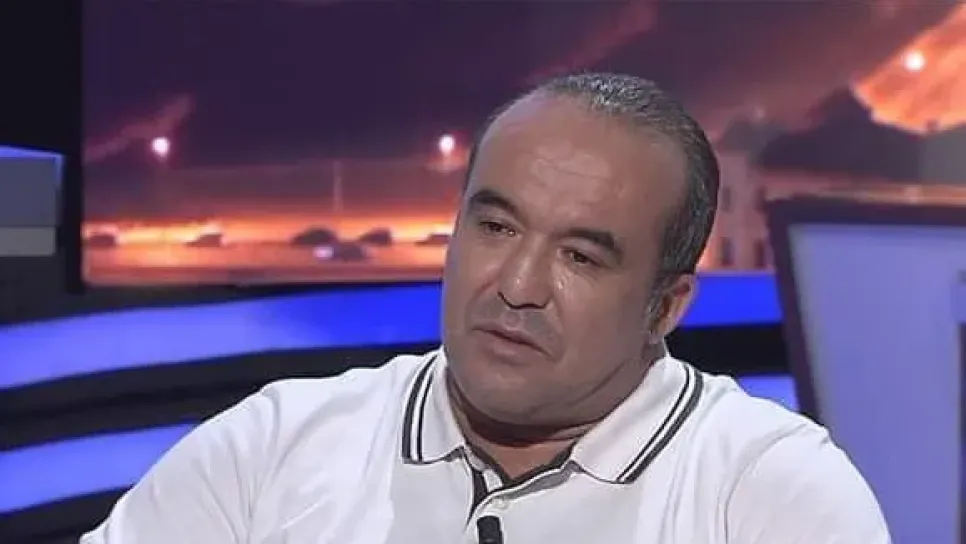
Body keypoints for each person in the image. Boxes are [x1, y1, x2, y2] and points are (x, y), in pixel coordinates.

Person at [82, 73, 890, 543]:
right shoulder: (274, 448)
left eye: (580, 257)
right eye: (496, 227)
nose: (517, 284)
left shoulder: (771, 493)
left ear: (666, 307)